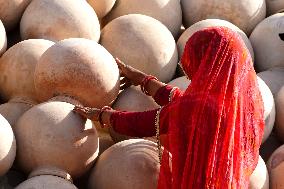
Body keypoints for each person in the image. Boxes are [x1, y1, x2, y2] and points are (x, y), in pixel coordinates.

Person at [73, 27, 264, 188]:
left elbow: (147, 122)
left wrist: (102, 115)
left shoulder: (198, 107)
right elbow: (183, 105)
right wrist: (144, 80)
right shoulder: (241, 107)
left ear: (207, 61)